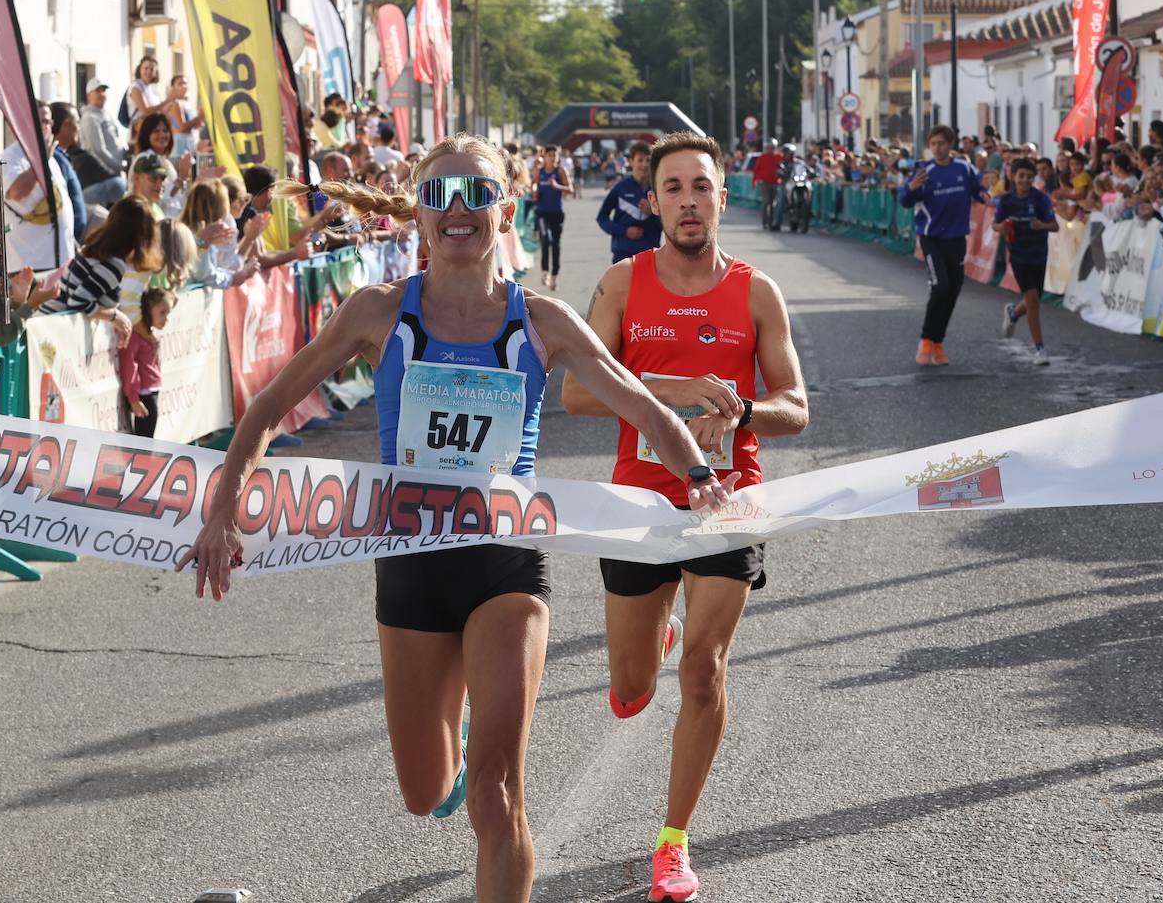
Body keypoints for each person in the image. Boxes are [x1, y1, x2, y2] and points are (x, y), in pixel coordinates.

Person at [178, 133, 733, 903]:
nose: (459, 210)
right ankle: (460, 749)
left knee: (498, 796)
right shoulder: (379, 309)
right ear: (419, 217)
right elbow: (271, 405)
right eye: (439, 196)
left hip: (505, 567)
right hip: (410, 568)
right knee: (424, 789)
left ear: (503, 210)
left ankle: (489, 761)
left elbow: (639, 402)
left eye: (477, 194)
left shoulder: (540, 319)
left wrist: (700, 476)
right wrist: (222, 509)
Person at [561, 131, 808, 903]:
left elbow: (795, 409)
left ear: (722, 197)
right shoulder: (622, 285)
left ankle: (673, 842)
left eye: (702, 186)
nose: (689, 200)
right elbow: (573, 394)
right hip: (639, 499)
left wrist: (739, 417)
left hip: (727, 497)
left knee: (703, 671)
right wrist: (667, 389)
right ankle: (652, 634)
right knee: (633, 688)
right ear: (655, 200)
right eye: (674, 187)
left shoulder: (757, 291)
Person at [897, 123, 990, 366]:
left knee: (953, 290)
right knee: (940, 287)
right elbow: (905, 200)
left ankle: (938, 342)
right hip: (931, 237)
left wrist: (985, 197)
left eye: (941, 144)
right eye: (933, 144)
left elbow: (977, 190)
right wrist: (911, 188)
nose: (937, 148)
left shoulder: (963, 168)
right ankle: (926, 340)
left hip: (956, 238)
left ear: (950, 145)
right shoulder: (924, 171)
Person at [38, 195, 162, 348]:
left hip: (46, 325)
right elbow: (78, 302)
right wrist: (116, 316)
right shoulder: (113, 264)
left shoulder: (96, 249)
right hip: (53, 333)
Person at [995, 157, 1058, 366]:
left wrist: (1042, 225)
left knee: (1034, 301)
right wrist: (1002, 227)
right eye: (1021, 176)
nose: (1025, 180)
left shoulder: (1040, 199)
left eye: (1029, 177)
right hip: (1019, 255)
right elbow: (995, 224)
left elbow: (1055, 226)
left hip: (1038, 254)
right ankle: (1040, 349)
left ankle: (1013, 313)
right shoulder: (1006, 200)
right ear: (1013, 176)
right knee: (1032, 300)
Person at [2, 100, 76, 275]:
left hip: (60, 260)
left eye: (49, 122)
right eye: (42, 121)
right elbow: (17, 192)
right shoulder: (11, 157)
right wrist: (41, 162)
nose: (47, 127)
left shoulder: (50, 158)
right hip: (31, 266)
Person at [120, 285, 176, 438]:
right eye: (162, 313)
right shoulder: (135, 336)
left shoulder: (150, 334)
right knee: (144, 443)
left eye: (168, 313)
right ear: (148, 310)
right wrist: (133, 399)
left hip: (151, 392)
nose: (166, 318)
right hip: (144, 397)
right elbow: (129, 367)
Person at [595, 141, 662, 263]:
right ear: (630, 161)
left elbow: (669, 224)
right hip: (622, 255)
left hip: (651, 255)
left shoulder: (660, 190)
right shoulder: (620, 188)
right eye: (640, 160)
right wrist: (624, 231)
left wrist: (653, 212)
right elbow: (602, 218)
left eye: (648, 160)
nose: (644, 164)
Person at [132, 112, 191, 218]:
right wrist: (182, 177)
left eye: (165, 131)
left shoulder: (164, 161)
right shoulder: (145, 158)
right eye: (156, 131)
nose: (162, 135)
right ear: (147, 134)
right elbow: (163, 198)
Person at [533, 144, 571, 290]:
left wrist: (557, 186)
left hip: (557, 213)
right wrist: (535, 192)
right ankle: (544, 272)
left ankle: (554, 276)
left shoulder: (560, 171)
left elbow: (570, 189)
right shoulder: (539, 171)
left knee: (555, 244)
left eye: (554, 155)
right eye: (550, 155)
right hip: (542, 211)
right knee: (545, 239)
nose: (552, 158)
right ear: (545, 157)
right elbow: (533, 185)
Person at [49, 103, 88, 241]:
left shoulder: (60, 156)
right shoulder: (55, 159)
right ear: (66, 124)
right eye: (77, 122)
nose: (79, 127)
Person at [80, 78, 129, 176]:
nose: (101, 94)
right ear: (89, 95)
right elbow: (98, 150)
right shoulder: (90, 118)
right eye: (97, 91)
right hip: (104, 174)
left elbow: (115, 140)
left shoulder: (106, 114)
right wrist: (119, 167)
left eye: (103, 90)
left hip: (114, 170)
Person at [163, 75, 204, 159]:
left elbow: (194, 126)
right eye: (179, 83)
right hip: (179, 143)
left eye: (184, 83)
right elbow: (182, 126)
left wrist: (201, 119)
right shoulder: (175, 104)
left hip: (189, 140)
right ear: (173, 87)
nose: (183, 86)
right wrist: (198, 118)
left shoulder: (187, 103)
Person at [749, 138, 784, 230]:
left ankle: (771, 222)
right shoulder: (762, 157)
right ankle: (765, 222)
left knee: (773, 204)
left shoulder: (779, 157)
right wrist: (754, 181)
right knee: (766, 202)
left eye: (772, 147)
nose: (770, 149)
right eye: (768, 147)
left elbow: (784, 167)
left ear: (775, 148)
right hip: (764, 183)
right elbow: (756, 170)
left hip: (776, 183)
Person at [127, 55, 171, 122]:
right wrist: (165, 102)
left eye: (152, 69)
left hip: (153, 126)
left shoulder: (153, 88)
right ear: (140, 69)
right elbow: (145, 111)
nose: (149, 72)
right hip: (141, 128)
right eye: (146, 68)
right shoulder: (135, 87)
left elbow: (160, 109)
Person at [129, 152, 172, 220]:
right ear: (136, 178)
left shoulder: (154, 207)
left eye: (163, 177)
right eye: (153, 178)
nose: (160, 184)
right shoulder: (128, 210)